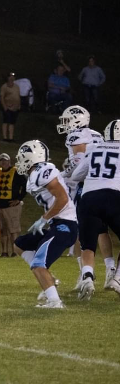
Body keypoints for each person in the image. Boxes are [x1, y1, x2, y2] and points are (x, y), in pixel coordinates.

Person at [13, 140, 78, 308]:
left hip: (66, 224)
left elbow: (62, 199)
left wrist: (44, 218)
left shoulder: (44, 170)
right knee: (19, 245)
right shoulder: (34, 175)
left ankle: (55, 302)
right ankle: (49, 279)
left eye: (22, 157)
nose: (19, 161)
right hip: (57, 223)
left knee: (38, 263)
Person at [57, 106, 115, 289]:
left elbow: (79, 164)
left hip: (84, 186)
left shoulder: (75, 136)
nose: (65, 124)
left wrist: (61, 174)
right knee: (102, 230)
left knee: (80, 231)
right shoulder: (97, 134)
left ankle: (85, 274)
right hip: (104, 182)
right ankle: (111, 268)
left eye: (67, 120)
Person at [71, 120, 120, 299]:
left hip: (89, 198)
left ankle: (88, 278)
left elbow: (77, 175)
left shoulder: (94, 149)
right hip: (115, 197)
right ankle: (117, 279)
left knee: (88, 244)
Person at [0, 153, 26, 257]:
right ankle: (4, 252)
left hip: (12, 206)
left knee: (14, 230)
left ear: (9, 161)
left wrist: (19, 199)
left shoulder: (16, 171)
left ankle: (15, 252)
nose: (3, 162)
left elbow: (25, 185)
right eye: (1, 160)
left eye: (5, 160)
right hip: (0, 206)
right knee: (3, 230)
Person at [0, 72, 21, 142]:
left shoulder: (16, 86)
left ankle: (11, 138)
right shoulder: (4, 87)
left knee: (12, 123)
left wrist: (19, 105)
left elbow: (18, 96)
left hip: (15, 108)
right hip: (7, 107)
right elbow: (2, 97)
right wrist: (4, 106)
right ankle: (5, 137)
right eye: (10, 76)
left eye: (13, 77)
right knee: (6, 121)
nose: (12, 78)